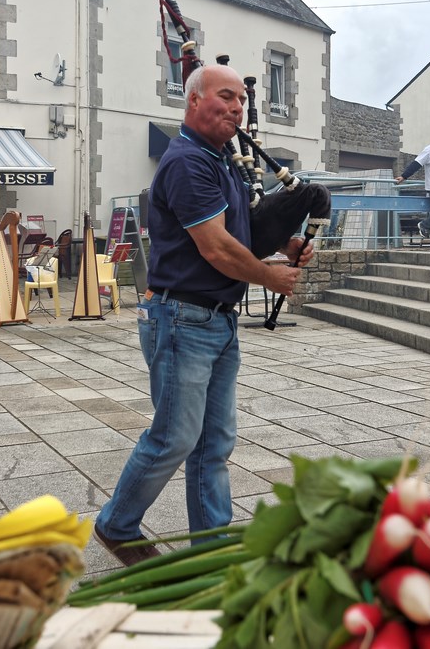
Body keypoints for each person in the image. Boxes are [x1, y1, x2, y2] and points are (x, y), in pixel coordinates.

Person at [95, 64, 313, 566]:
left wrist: (287, 242)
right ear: (194, 101)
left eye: (240, 99)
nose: (237, 107)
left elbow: (243, 230)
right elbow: (215, 247)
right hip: (182, 318)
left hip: (216, 318)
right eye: (225, 97)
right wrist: (270, 276)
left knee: (214, 442)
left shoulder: (221, 161)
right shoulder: (188, 162)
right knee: (174, 437)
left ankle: (211, 551)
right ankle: (116, 524)